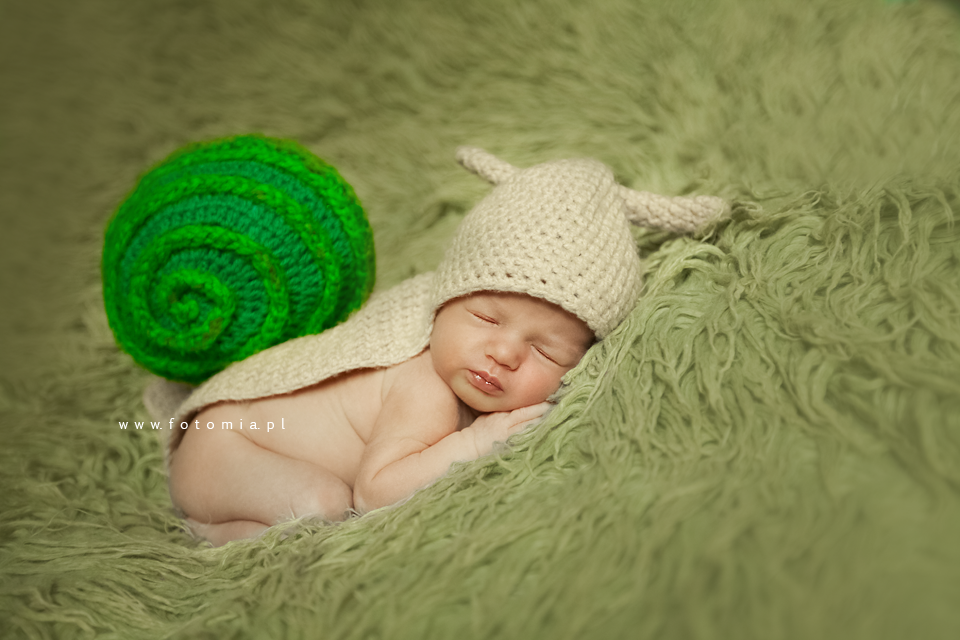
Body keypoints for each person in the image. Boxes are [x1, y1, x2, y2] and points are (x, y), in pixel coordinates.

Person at [149, 146, 727, 546]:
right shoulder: (423, 385)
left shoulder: (471, 364)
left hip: (239, 447)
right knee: (323, 504)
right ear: (443, 303)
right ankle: (209, 527)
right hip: (227, 444)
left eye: (546, 352)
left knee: (317, 505)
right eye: (485, 317)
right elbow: (375, 492)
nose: (504, 354)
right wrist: (474, 441)